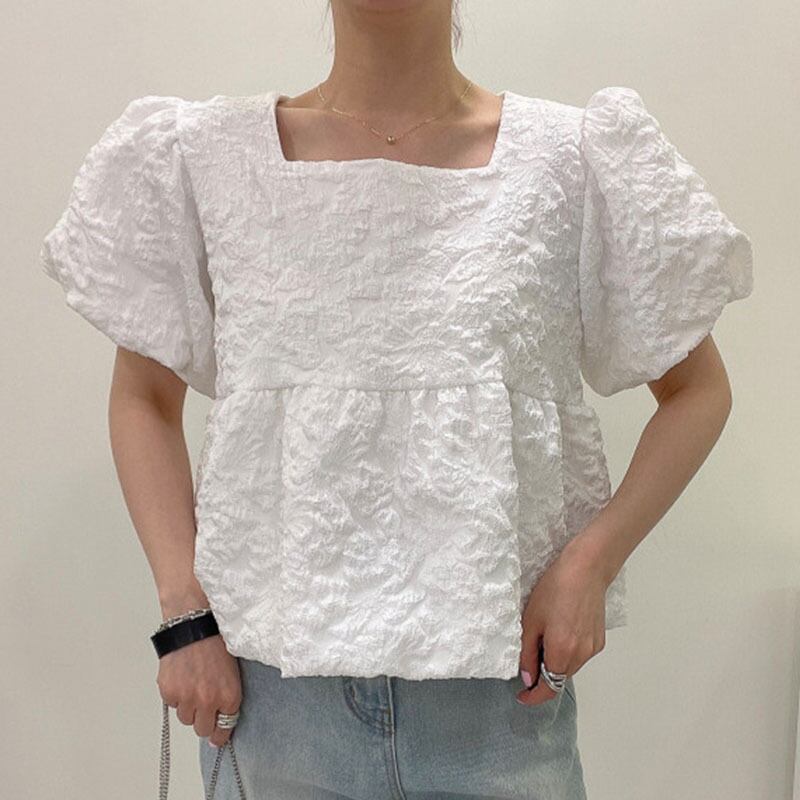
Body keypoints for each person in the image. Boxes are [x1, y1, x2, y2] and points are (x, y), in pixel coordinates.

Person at [38, 1, 754, 797]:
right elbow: (144, 396)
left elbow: (696, 391)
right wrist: (184, 618)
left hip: (499, 714)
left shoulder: (572, 160)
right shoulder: (205, 158)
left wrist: (589, 565)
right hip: (271, 706)